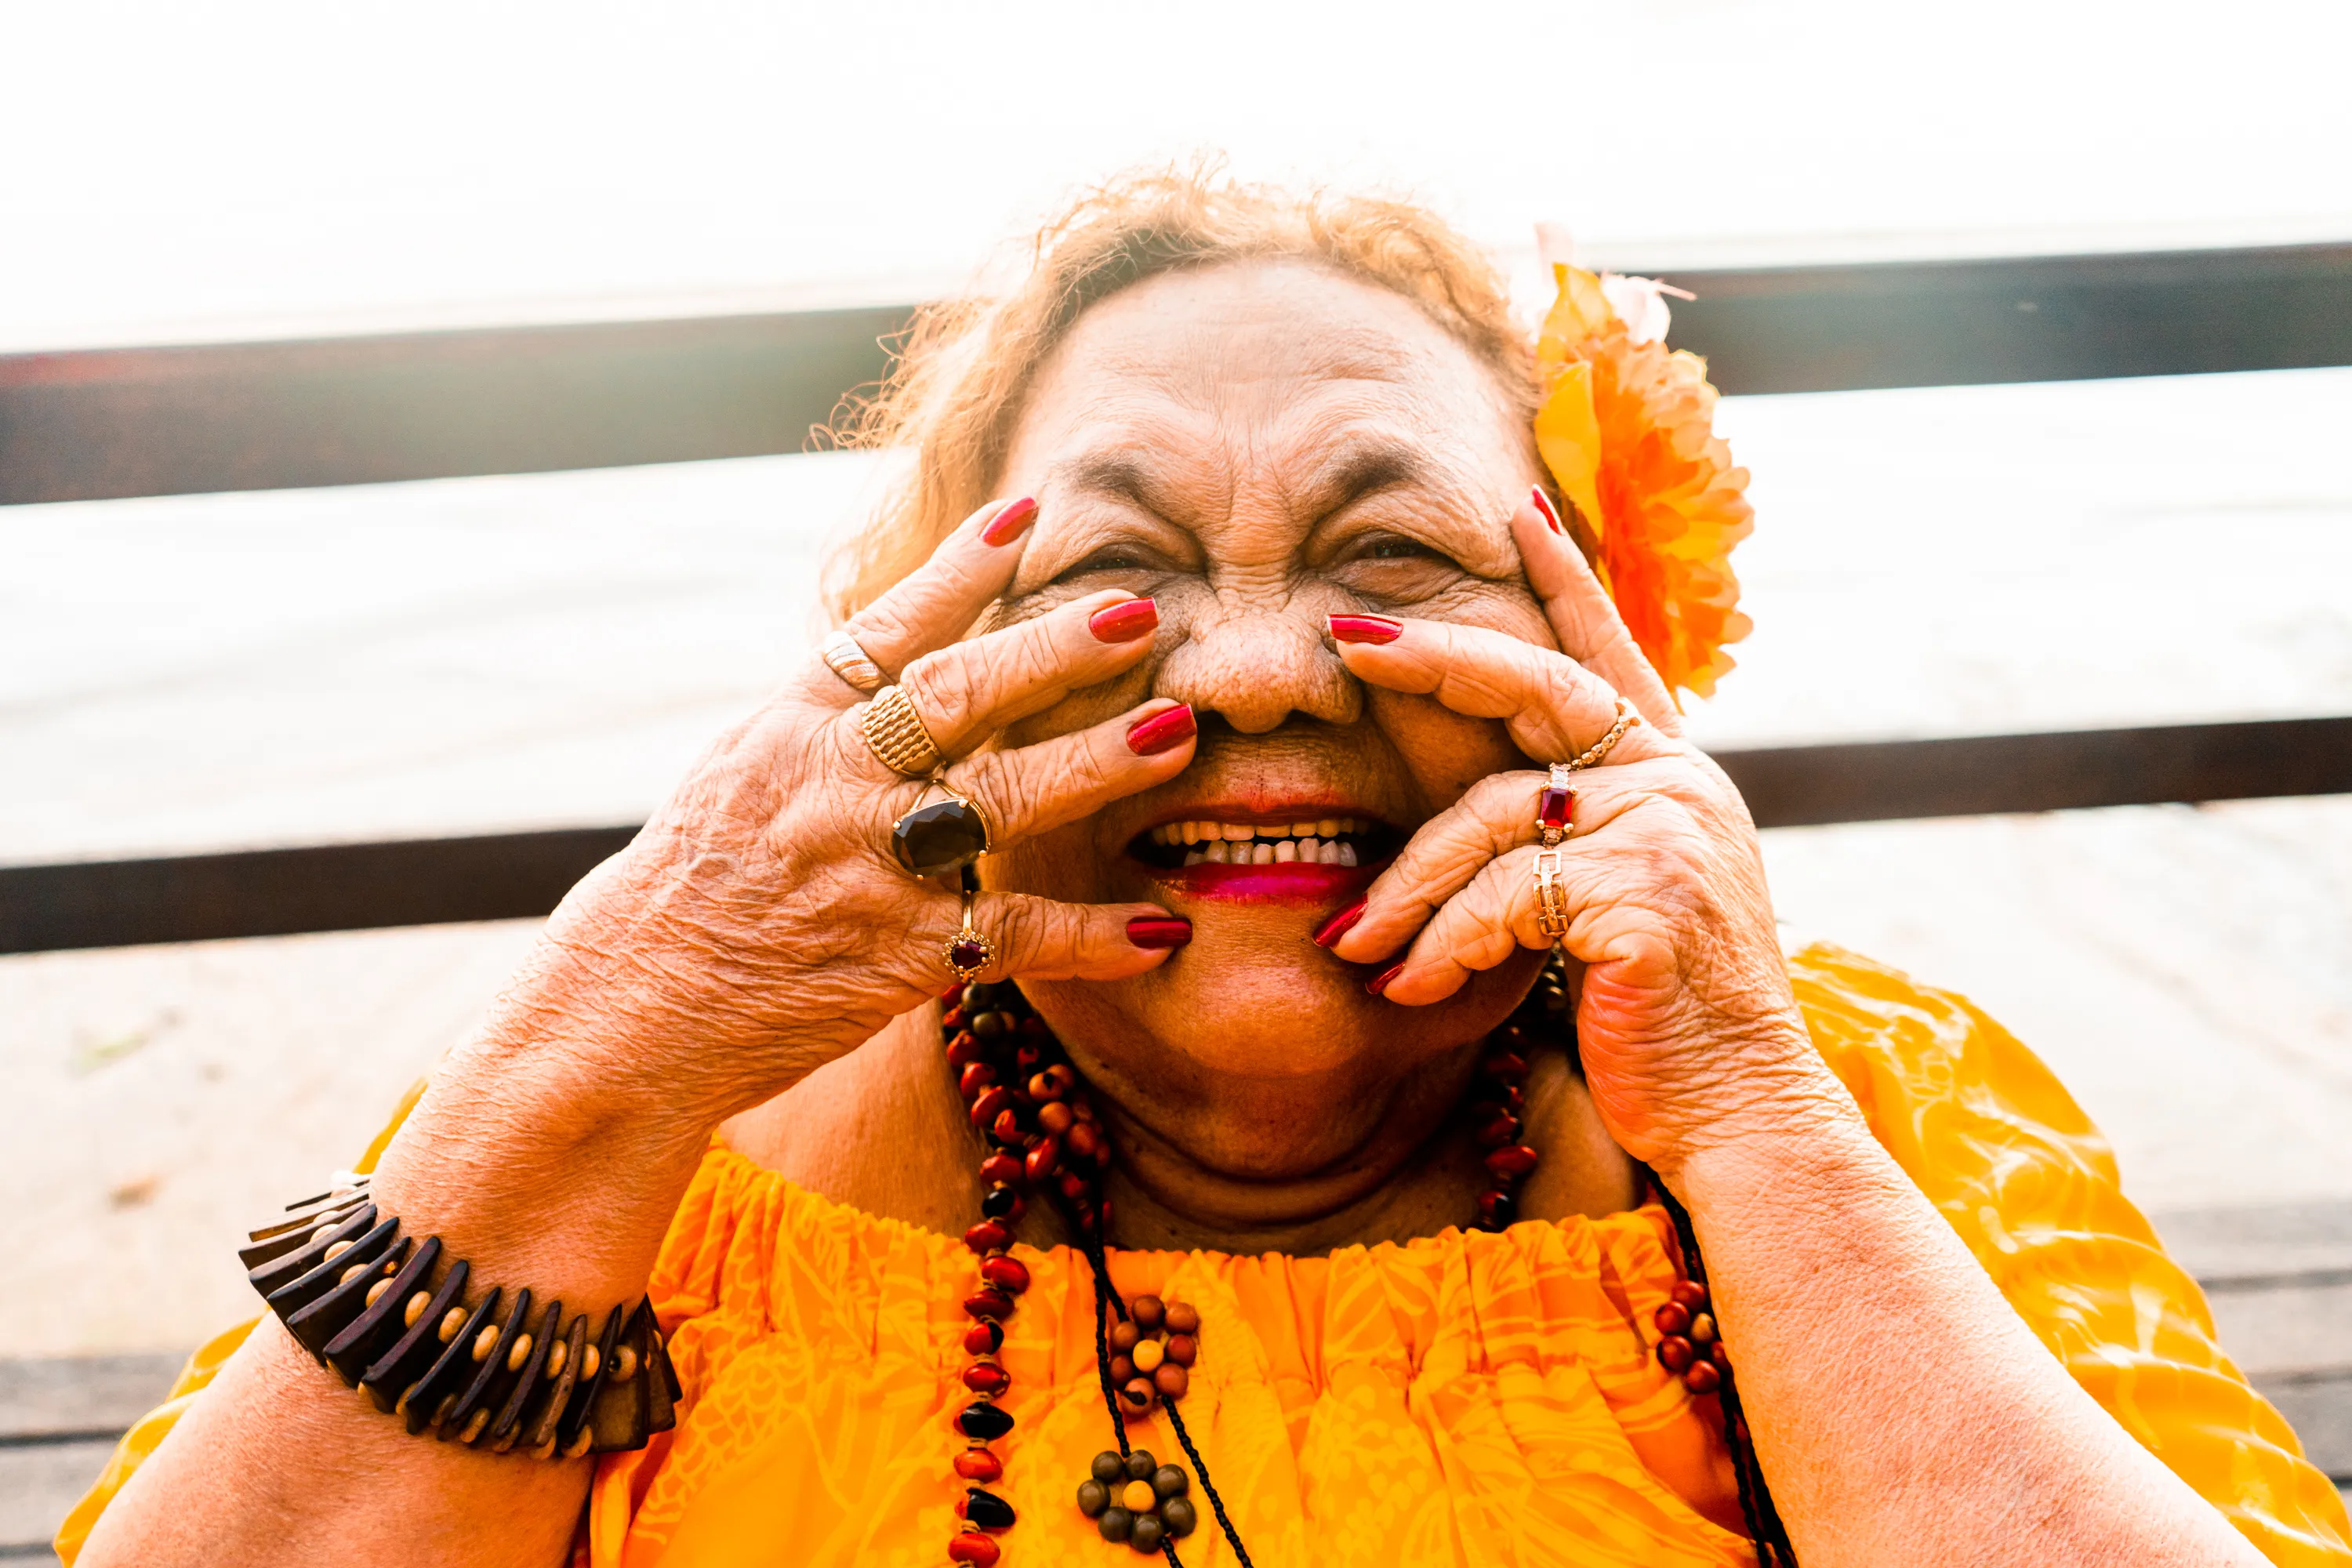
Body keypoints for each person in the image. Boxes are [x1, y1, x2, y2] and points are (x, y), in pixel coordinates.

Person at [64, 167, 2350, 1568]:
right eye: (1126, 574)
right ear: (947, 655)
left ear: (1603, 648)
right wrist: (599, 1034)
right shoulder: (640, 1110)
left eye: (1388, 556)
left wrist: (1750, 1124)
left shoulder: (1853, 1101)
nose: (1258, 673)